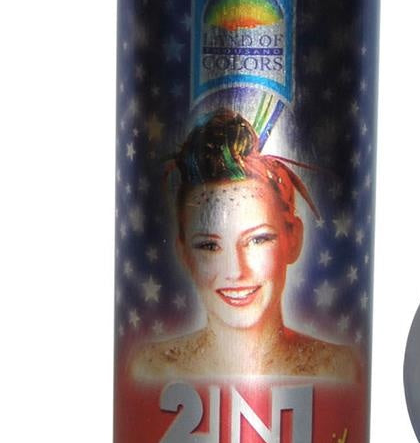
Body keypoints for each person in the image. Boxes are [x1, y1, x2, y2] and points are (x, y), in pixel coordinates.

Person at [131, 109, 359, 383]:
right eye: (209, 246)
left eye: (258, 239)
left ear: (293, 238)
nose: (236, 271)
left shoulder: (341, 370)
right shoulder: (148, 368)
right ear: (184, 254)